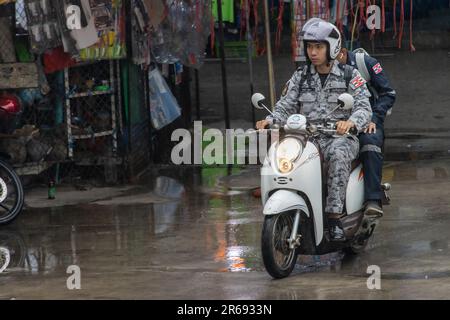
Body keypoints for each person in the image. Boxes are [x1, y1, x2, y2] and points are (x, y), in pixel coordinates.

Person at [256, 18, 372, 241]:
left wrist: (351, 122)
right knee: (283, 155)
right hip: (307, 138)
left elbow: (364, 107)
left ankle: (334, 216)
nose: (313, 52)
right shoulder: (301, 76)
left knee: (338, 155)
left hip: (339, 138)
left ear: (332, 47)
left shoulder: (350, 75)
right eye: (310, 47)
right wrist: (271, 119)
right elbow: (285, 104)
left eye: (318, 47)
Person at [337, 47, 396, 217]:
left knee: (370, 143)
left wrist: (374, 119)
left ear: (340, 51)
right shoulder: (316, 71)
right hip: (334, 124)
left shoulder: (367, 64)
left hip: (366, 121)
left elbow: (388, 94)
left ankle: (373, 199)